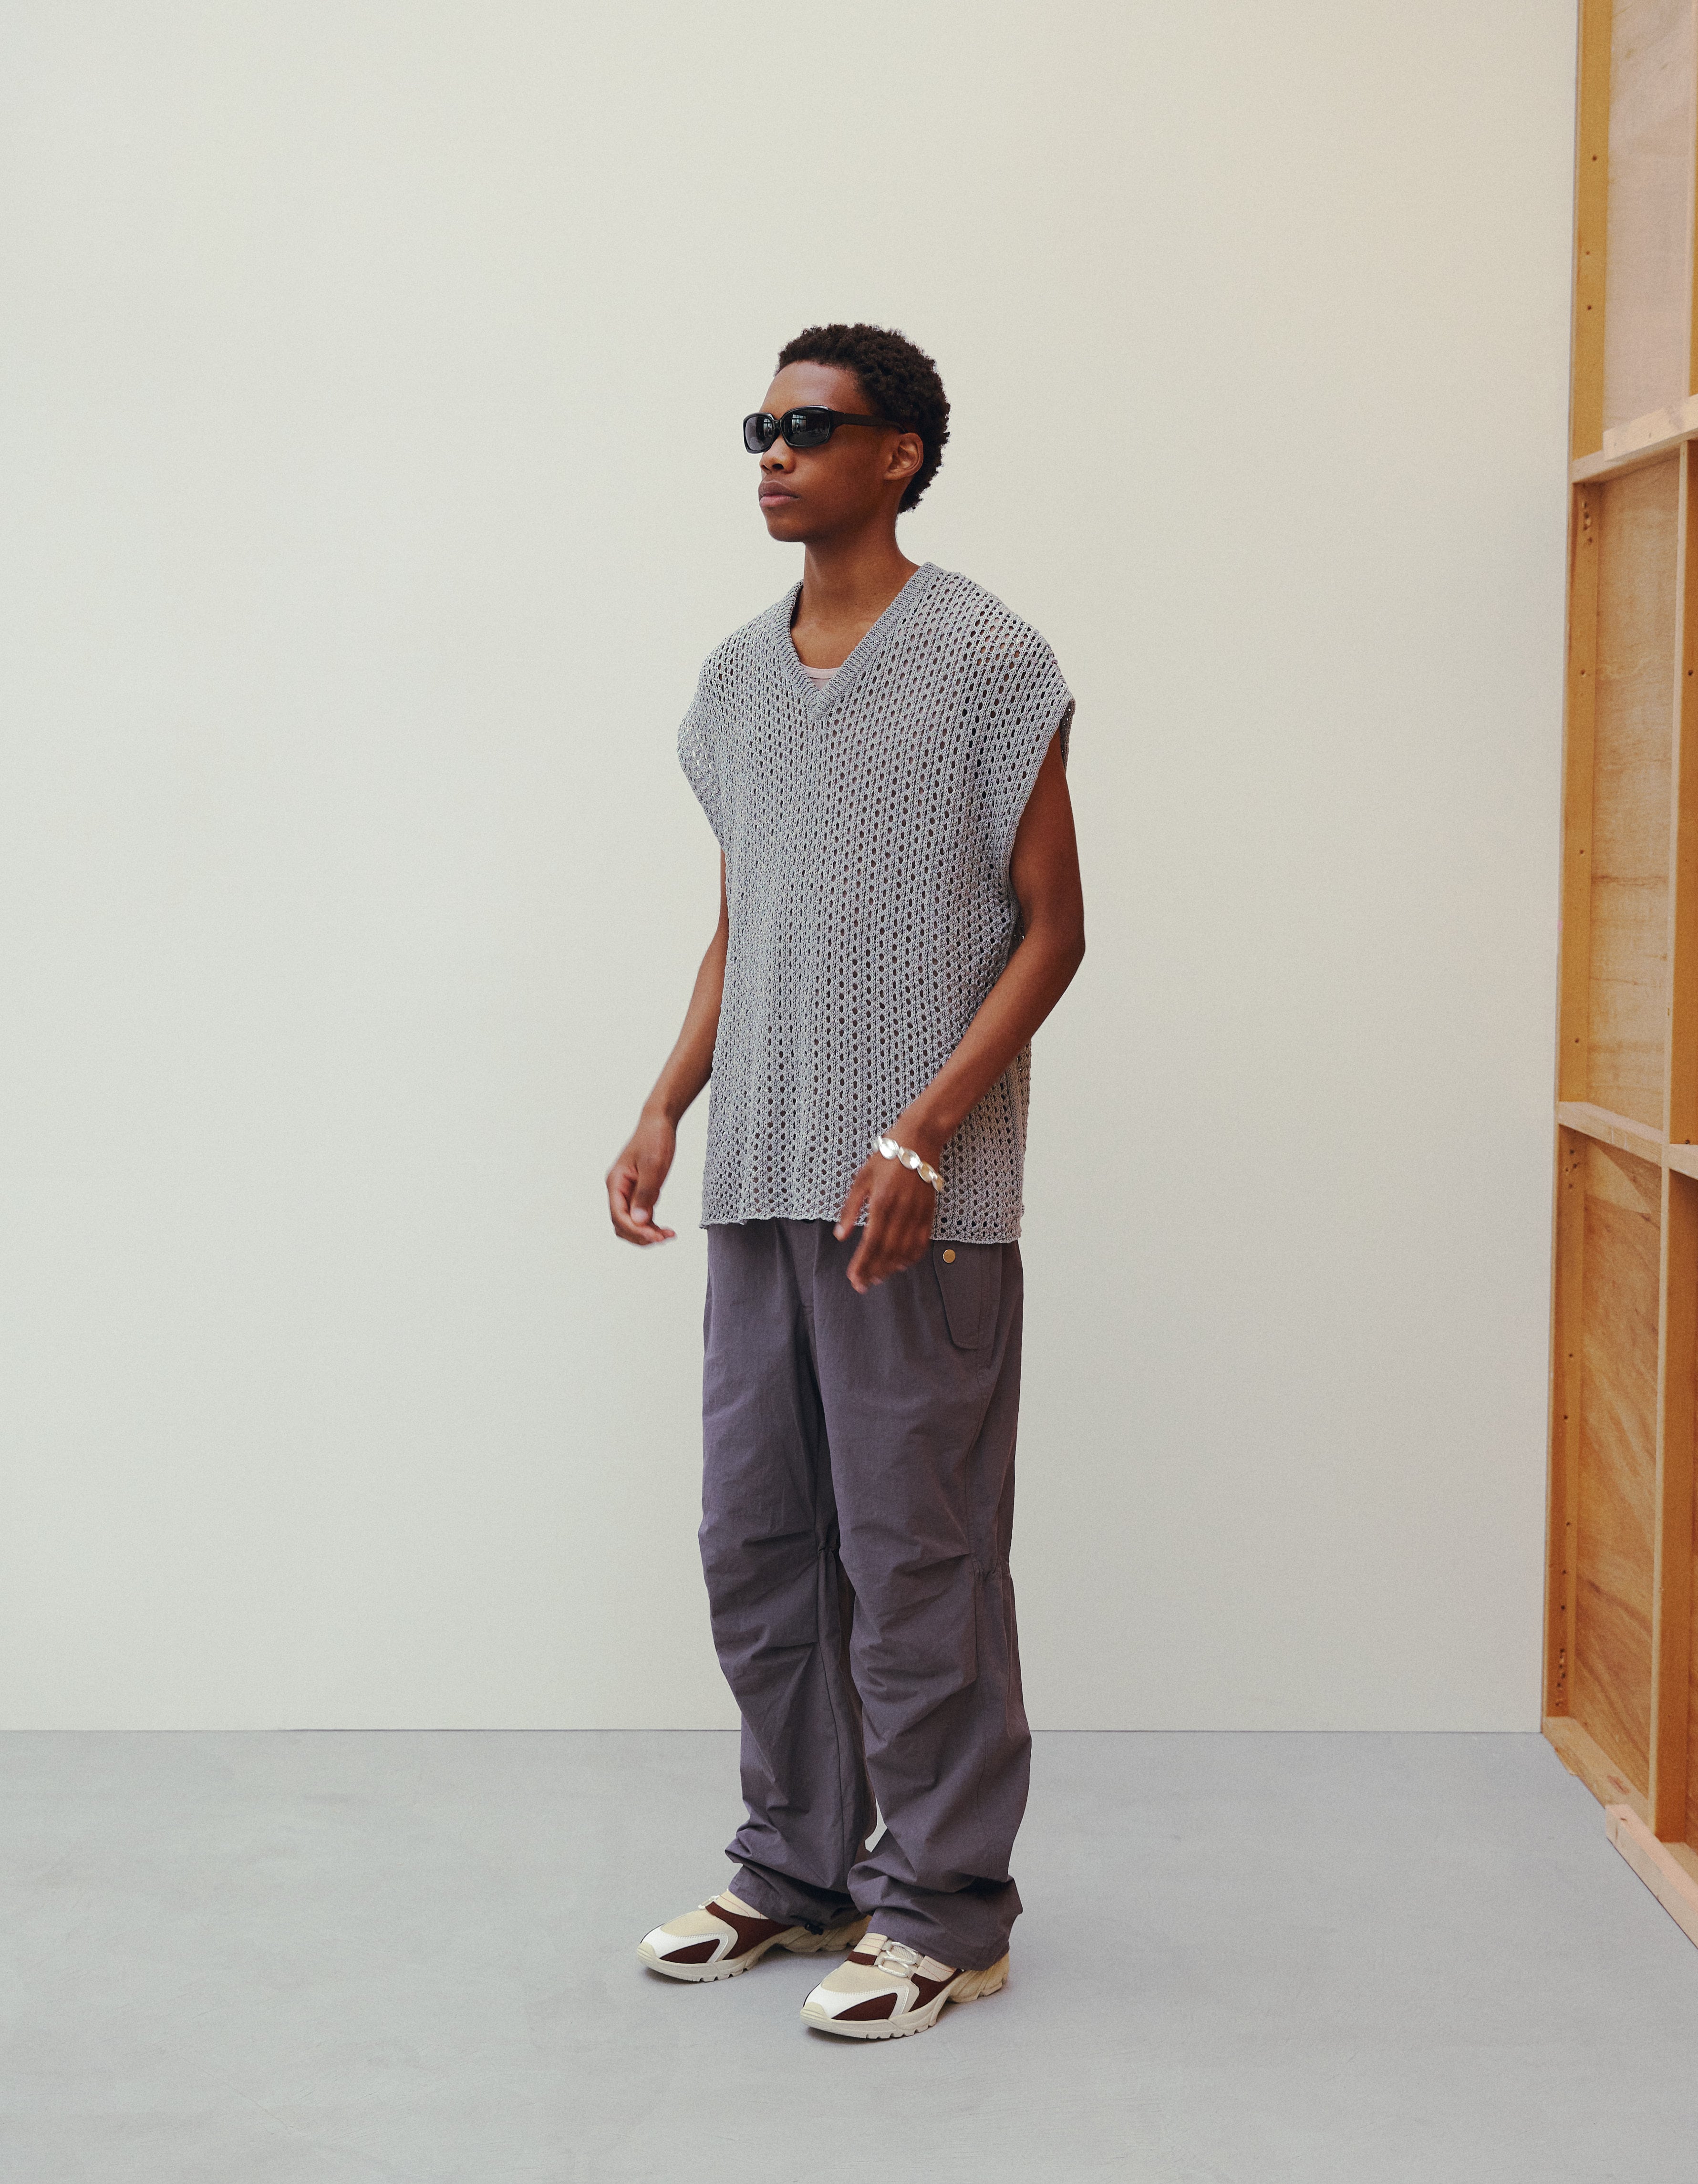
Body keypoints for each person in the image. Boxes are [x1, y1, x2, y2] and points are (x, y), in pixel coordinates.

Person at [606, 322, 1084, 2041]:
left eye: (810, 428)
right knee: (759, 1542)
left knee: (917, 1554)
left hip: (915, 1207)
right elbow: (749, 919)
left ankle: (945, 1908)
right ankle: (800, 1868)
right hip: (761, 1180)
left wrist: (923, 1131)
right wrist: (667, 1101)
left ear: (901, 453)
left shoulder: (987, 657)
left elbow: (1055, 929)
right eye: (761, 427)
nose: (775, 454)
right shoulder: (736, 679)